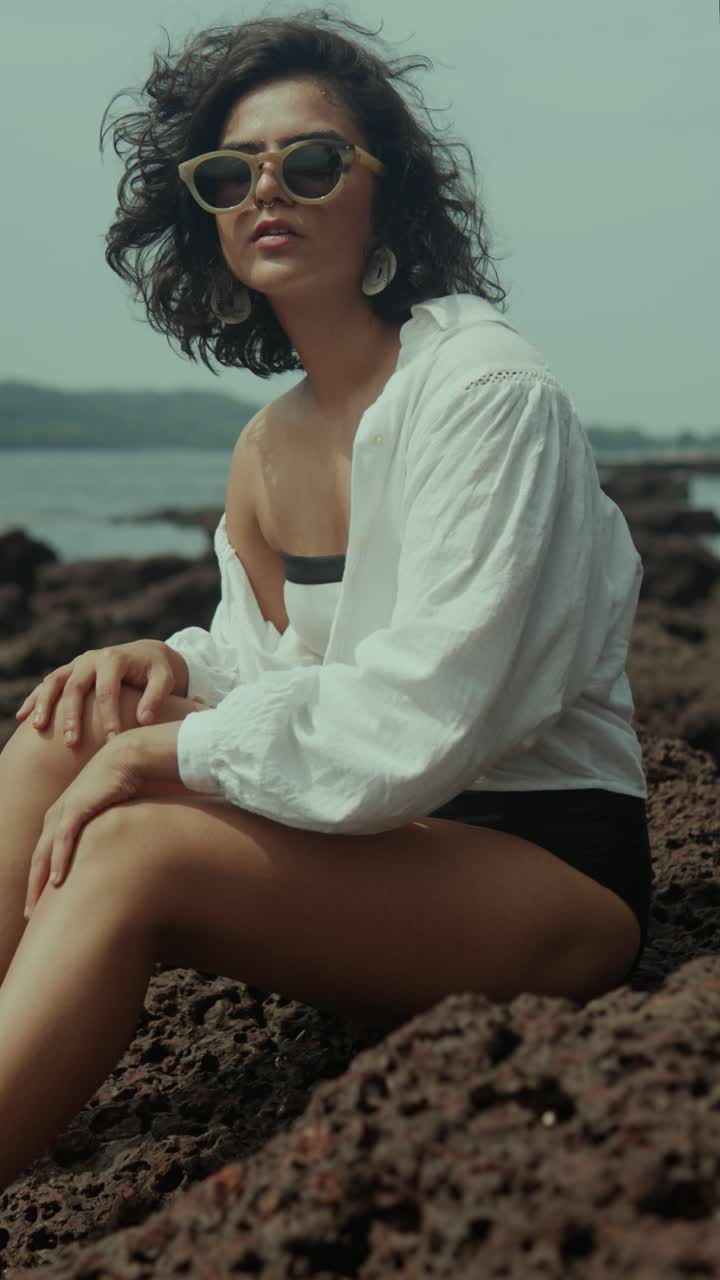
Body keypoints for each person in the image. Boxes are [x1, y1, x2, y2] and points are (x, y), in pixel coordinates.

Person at [0, 10, 653, 1192]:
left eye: (308, 162)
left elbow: (428, 710)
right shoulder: (267, 446)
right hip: (381, 838)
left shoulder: (486, 390)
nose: (267, 191)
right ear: (205, 216)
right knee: (62, 725)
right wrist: (174, 670)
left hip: (543, 865)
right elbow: (284, 668)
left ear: (384, 190)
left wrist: (162, 756)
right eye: (229, 174)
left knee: (136, 844)